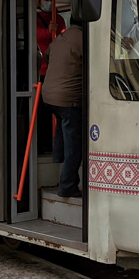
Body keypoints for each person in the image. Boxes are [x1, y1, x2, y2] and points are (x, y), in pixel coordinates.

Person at [41, 23, 84, 198]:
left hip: (49, 96)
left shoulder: (61, 37)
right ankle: (67, 185)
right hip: (69, 98)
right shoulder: (85, 39)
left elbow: (46, 57)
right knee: (75, 143)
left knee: (62, 129)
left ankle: (59, 167)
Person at [36, 0, 66, 159]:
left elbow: (62, 35)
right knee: (42, 111)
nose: (49, 3)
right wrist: (49, 30)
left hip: (55, 68)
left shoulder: (59, 18)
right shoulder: (37, 18)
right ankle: (43, 145)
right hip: (42, 69)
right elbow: (36, 35)